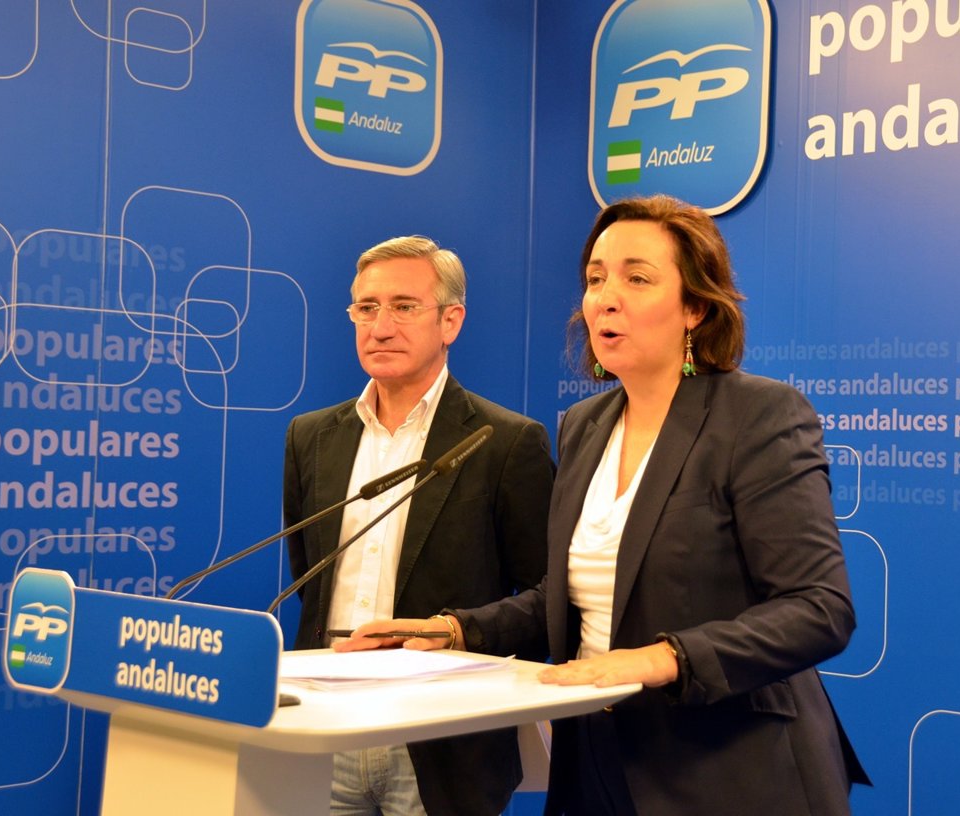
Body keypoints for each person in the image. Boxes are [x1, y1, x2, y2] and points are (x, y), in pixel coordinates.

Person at [336, 197, 870, 814]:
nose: (605, 298)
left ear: (695, 307)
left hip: (728, 769)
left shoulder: (757, 416)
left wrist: (663, 658)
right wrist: (453, 629)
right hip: (598, 759)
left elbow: (819, 609)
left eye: (637, 278)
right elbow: (566, 598)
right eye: (595, 279)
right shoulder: (585, 425)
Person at [282, 235, 554, 815]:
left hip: (441, 741)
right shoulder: (311, 436)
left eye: (404, 307)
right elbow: (311, 580)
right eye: (367, 308)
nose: (380, 327)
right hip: (324, 731)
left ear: (450, 321)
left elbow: (547, 601)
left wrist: (450, 632)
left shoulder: (505, 443)